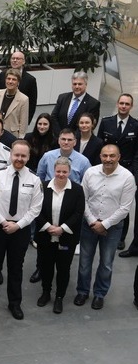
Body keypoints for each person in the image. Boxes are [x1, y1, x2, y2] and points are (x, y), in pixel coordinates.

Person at [0, 140, 43, 320]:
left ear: (28, 157)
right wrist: (2, 222)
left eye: (23, 156)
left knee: (16, 268)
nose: (19, 159)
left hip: (20, 229)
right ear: (10, 155)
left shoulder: (34, 180)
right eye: (16, 155)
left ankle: (14, 303)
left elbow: (35, 208)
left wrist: (18, 225)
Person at [75, 144, 136, 310]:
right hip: (89, 224)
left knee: (106, 263)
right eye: (105, 156)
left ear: (119, 157)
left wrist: (105, 224)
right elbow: (83, 199)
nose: (108, 159)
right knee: (84, 261)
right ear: (100, 156)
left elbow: (125, 208)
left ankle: (99, 294)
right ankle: (82, 291)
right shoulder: (90, 172)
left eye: (112, 156)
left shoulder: (127, 177)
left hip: (113, 227)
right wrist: (92, 221)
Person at [35, 157, 85, 314]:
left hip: (66, 238)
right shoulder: (43, 187)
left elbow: (78, 213)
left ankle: (59, 297)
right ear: (53, 171)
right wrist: (48, 227)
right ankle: (46, 292)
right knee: (46, 266)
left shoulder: (77, 190)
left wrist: (62, 228)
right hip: (46, 236)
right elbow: (35, 209)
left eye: (64, 171)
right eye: (58, 171)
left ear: (69, 172)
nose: (61, 174)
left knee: (63, 268)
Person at [102, 94, 138, 255]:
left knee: (124, 204)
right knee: (105, 197)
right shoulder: (106, 122)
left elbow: (137, 152)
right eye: (121, 103)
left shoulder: (135, 125)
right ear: (117, 104)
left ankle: (121, 237)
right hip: (107, 168)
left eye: (127, 104)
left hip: (126, 170)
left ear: (131, 106)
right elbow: (101, 145)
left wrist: (134, 174)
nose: (123, 106)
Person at [0, 51, 38, 124]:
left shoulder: (30, 80)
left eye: (18, 59)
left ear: (23, 61)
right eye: (13, 58)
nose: (15, 60)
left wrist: (26, 122)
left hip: (16, 120)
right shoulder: (2, 75)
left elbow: (32, 103)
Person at [50, 71, 101, 135]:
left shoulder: (93, 104)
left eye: (80, 84)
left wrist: (72, 138)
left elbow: (90, 125)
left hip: (79, 139)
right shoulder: (62, 98)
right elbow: (53, 117)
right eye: (74, 84)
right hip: (59, 137)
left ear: (86, 85)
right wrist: (60, 135)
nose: (77, 86)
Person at [0, 69, 29, 138]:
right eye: (8, 79)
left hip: (12, 135)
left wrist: (20, 139)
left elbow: (23, 123)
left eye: (14, 79)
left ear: (18, 82)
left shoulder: (23, 99)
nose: (10, 81)